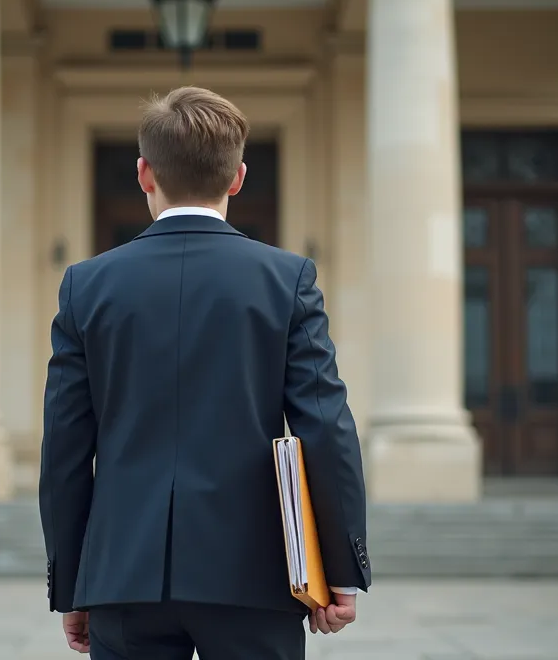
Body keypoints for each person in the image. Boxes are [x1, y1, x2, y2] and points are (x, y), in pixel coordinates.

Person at [39, 86, 370, 659]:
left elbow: (65, 446)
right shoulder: (286, 279)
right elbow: (325, 428)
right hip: (254, 574)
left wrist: (74, 584)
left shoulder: (86, 285)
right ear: (237, 177)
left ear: (144, 173)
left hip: (123, 576)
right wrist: (340, 567)